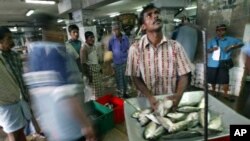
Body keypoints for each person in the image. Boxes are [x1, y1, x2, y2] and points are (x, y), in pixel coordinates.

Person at [24, 25, 96, 141]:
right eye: (57, 30)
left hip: (52, 128)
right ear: (48, 33)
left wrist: (39, 125)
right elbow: (66, 97)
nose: (60, 34)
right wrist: (86, 125)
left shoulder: (33, 58)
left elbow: (32, 97)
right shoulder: (54, 55)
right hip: (69, 124)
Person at [126, 4, 193, 111]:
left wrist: (178, 96)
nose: (155, 16)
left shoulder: (175, 46)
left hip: (170, 103)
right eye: (149, 15)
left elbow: (184, 74)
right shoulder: (135, 49)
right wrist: (150, 97)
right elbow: (136, 77)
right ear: (143, 26)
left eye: (157, 13)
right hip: (147, 103)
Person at [0, 26, 31, 141]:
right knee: (13, 133)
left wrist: (26, 95)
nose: (12, 41)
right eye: (8, 38)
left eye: (11, 38)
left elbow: (20, 77)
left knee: (21, 130)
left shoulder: (14, 55)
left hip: (20, 98)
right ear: (0, 41)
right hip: (7, 104)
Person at [207, 24, 243, 101]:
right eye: (218, 30)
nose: (220, 32)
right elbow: (207, 50)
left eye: (222, 30)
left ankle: (225, 94)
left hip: (224, 63)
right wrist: (212, 49)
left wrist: (231, 47)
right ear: (216, 31)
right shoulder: (213, 41)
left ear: (225, 31)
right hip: (212, 63)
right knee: (212, 79)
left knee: (225, 79)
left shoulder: (230, 39)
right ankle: (213, 91)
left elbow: (241, 43)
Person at [108, 22, 130, 98]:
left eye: (117, 29)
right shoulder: (111, 40)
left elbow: (128, 49)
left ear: (120, 29)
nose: (116, 31)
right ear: (112, 31)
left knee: (126, 78)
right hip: (116, 63)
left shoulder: (126, 38)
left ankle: (126, 93)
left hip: (125, 62)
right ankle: (120, 94)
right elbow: (110, 52)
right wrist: (111, 65)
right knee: (118, 79)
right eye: (114, 30)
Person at [80, 31, 104, 98]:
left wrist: (100, 68)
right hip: (91, 74)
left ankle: (100, 103)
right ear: (86, 39)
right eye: (91, 37)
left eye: (93, 37)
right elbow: (83, 64)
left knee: (100, 90)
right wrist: (88, 77)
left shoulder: (93, 46)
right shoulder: (84, 49)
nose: (93, 39)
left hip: (97, 71)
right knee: (94, 94)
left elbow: (95, 58)